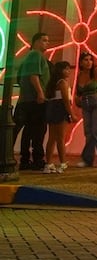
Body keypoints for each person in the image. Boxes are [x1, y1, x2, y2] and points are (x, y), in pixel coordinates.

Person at [13, 31, 50, 171]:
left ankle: (25, 160)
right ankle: (37, 160)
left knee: (27, 131)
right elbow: (33, 76)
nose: (47, 43)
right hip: (35, 100)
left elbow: (20, 78)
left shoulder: (27, 57)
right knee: (38, 131)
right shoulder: (36, 55)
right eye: (44, 40)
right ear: (36, 42)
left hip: (26, 99)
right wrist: (41, 93)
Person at [42, 60, 73, 173]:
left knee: (52, 138)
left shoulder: (52, 84)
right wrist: (71, 114)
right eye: (66, 69)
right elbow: (65, 100)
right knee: (60, 138)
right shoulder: (63, 83)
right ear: (60, 71)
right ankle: (62, 163)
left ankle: (48, 163)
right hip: (61, 109)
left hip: (51, 109)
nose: (68, 71)